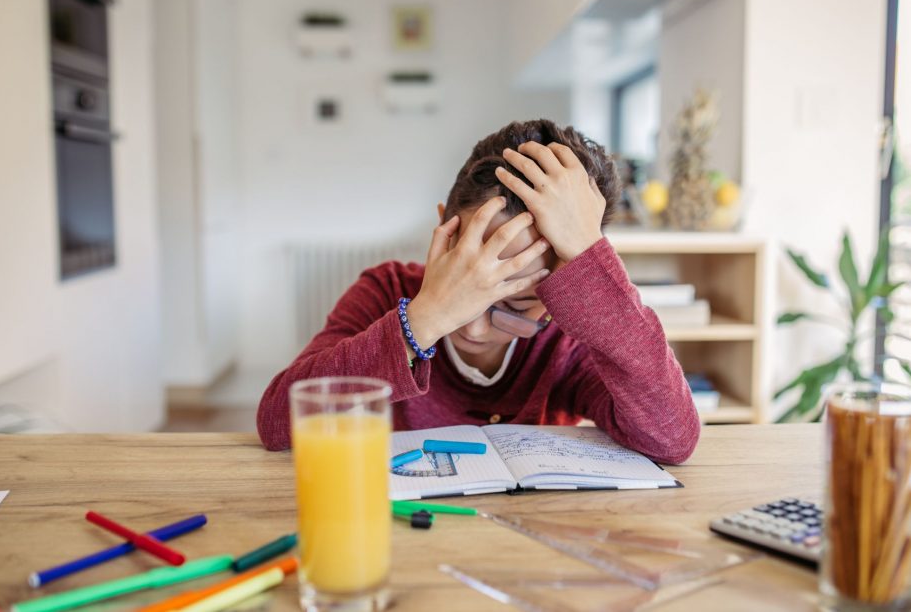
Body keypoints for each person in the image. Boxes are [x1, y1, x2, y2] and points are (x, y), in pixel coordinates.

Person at [257, 119, 700, 463]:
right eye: (462, 286)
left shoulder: (572, 328)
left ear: (568, 280)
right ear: (442, 232)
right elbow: (279, 423)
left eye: (513, 304)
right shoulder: (385, 291)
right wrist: (425, 319)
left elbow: (672, 438)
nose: (472, 325)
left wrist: (590, 258)